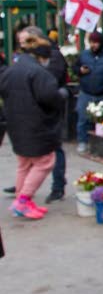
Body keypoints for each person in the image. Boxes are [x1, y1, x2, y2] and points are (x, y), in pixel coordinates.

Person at [0, 43, 65, 219]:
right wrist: (62, 96)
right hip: (35, 125)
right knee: (45, 161)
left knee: (24, 163)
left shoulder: (11, 70)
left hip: (15, 124)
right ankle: (23, 200)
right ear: (42, 58)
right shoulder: (39, 73)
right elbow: (50, 97)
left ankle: (22, 202)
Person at [15, 26, 68, 200]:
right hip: (33, 111)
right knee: (27, 156)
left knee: (53, 149)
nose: (22, 45)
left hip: (47, 112)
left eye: (25, 41)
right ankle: (22, 190)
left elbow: (50, 83)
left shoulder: (52, 56)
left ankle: (57, 186)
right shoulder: (29, 62)